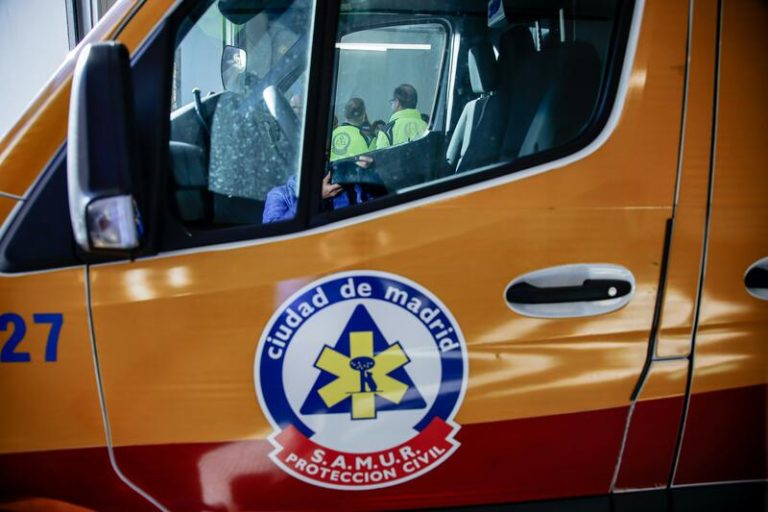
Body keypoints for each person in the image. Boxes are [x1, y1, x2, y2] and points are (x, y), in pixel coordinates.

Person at [376, 84, 428, 148]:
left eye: (392, 101)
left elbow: (381, 157)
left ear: (397, 102)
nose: (391, 104)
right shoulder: (426, 127)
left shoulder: (388, 131)